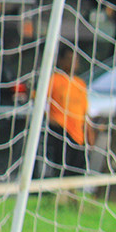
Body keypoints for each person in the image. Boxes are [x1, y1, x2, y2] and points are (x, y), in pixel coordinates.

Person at [46, 44, 95, 176]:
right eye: (69, 58)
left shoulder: (80, 84)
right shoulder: (54, 80)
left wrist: (90, 133)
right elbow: (38, 100)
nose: (73, 62)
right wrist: (50, 119)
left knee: (77, 171)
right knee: (61, 170)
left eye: (75, 59)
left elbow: (85, 112)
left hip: (78, 135)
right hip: (61, 132)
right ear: (61, 61)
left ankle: (71, 195)